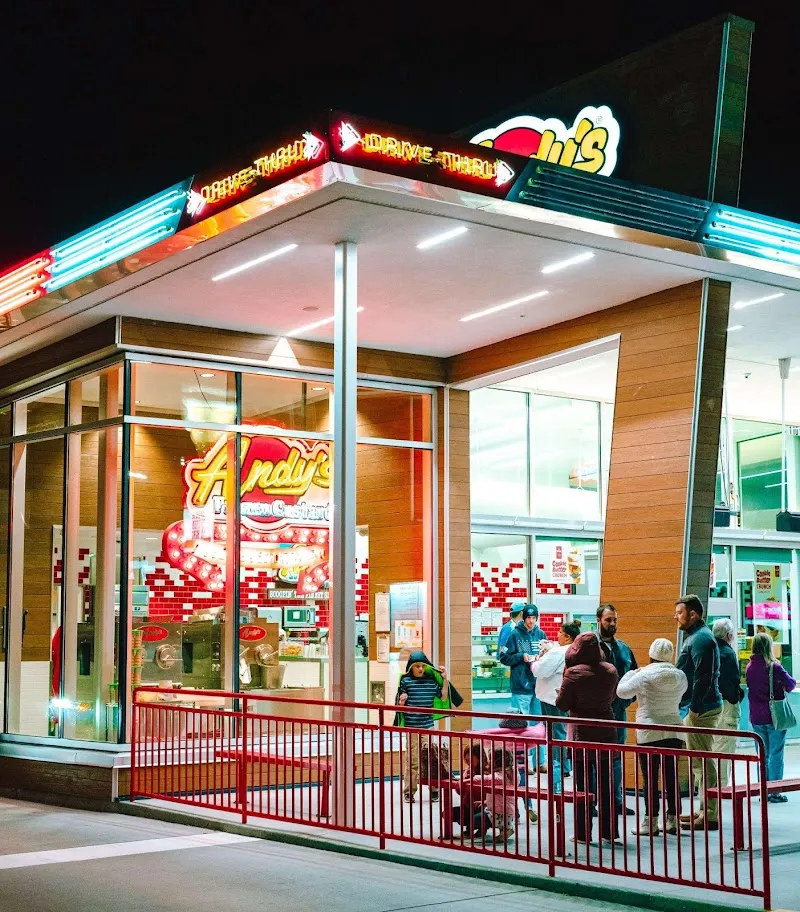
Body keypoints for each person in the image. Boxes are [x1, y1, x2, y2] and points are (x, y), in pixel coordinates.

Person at [616, 638, 688, 835]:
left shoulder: (644, 675)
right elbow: (683, 695)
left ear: (651, 654)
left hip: (649, 731)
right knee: (671, 776)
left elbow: (621, 692)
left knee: (650, 778)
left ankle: (650, 822)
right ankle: (673, 819)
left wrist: (632, 672)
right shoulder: (680, 676)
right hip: (675, 729)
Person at [556, 631, 619, 843]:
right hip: (607, 733)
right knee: (607, 784)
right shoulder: (610, 671)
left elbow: (562, 704)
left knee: (583, 786)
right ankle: (609, 831)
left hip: (581, 734)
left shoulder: (573, 674)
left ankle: (583, 833)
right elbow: (611, 698)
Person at [675, 594, 722, 831]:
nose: (676, 617)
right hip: (699, 706)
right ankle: (704, 809)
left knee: (703, 762)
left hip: (701, 708)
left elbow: (703, 677)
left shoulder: (701, 639)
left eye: (680, 613)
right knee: (699, 762)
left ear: (693, 614)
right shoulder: (698, 637)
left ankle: (710, 814)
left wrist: (693, 707)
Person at [395, 650, 456, 804]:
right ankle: (409, 791)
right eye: (417, 666)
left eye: (422, 666)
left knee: (432, 759)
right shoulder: (405, 682)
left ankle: (434, 789)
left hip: (427, 726)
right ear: (411, 667)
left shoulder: (431, 682)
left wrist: (445, 679)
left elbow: (443, 697)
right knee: (412, 760)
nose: (420, 669)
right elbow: (399, 707)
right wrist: (401, 702)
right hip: (411, 727)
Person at [530, 620, 581, 793]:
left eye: (560, 632)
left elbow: (539, 670)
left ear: (567, 636)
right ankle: (563, 767)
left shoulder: (558, 652)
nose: (557, 635)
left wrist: (536, 660)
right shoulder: (575, 651)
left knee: (555, 735)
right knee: (563, 733)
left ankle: (558, 771)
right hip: (566, 698)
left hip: (552, 699)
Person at [597, 604, 638, 815]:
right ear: (598, 620)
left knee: (616, 757)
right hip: (595, 713)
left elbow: (634, 676)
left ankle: (616, 800)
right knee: (595, 758)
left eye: (614, 620)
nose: (612, 624)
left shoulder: (623, 648)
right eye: (608, 620)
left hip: (618, 712)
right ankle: (594, 801)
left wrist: (624, 701)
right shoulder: (589, 646)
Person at [746, 633, 797, 802]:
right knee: (775, 754)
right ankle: (774, 792)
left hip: (756, 717)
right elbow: (790, 685)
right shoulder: (774, 667)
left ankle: (763, 790)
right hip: (774, 716)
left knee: (763, 754)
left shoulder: (749, 667)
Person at [499, 604, 548, 769]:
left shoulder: (541, 634)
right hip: (521, 685)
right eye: (528, 618)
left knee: (539, 724)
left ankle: (540, 762)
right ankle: (524, 763)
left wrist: (543, 656)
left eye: (534, 618)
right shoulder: (514, 634)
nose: (531, 622)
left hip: (538, 685)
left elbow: (547, 657)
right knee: (522, 724)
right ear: (523, 618)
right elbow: (503, 657)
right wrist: (521, 657)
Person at [711, 618, 745, 786]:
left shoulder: (708, 649)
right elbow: (732, 682)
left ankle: (709, 783)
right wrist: (737, 696)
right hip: (726, 705)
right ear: (729, 635)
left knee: (713, 744)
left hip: (710, 705)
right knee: (724, 744)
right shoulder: (728, 653)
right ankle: (721, 785)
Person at [471, 747, 517, 844]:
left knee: (476, 820)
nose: (489, 761)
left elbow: (488, 779)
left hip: (501, 811)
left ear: (497, 761)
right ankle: (505, 831)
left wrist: (472, 778)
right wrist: (485, 802)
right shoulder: (510, 773)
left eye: (491, 758)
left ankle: (506, 830)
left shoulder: (502, 775)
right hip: (502, 808)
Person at [452, 743, 491, 836]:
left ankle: (481, 828)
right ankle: (471, 827)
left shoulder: (488, 772)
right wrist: (462, 783)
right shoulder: (467, 770)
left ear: (479, 757)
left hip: (483, 806)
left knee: (477, 817)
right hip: (468, 806)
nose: (467, 759)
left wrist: (468, 781)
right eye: (466, 758)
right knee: (447, 814)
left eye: (470, 757)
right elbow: (459, 792)